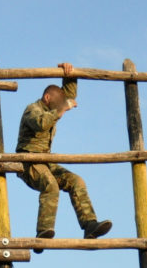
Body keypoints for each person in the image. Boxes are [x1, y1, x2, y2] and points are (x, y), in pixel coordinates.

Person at [16, 63, 112, 249]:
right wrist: (61, 110)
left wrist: (70, 75)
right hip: (28, 162)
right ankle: (43, 232)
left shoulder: (54, 106)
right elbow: (40, 124)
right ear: (46, 98)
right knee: (50, 186)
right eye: (57, 107)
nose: (60, 111)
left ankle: (89, 224)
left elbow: (68, 97)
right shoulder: (32, 109)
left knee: (76, 181)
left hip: (45, 160)